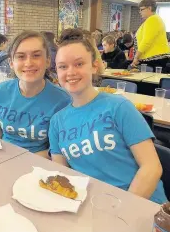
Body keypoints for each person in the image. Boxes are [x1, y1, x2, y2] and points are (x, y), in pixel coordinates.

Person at [49, 28, 167, 204]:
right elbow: (63, 176)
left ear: (94, 66)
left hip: (141, 205)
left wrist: (119, 211)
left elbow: (151, 168)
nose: (71, 72)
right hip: (93, 207)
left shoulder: (119, 107)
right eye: (63, 67)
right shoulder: (57, 122)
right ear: (56, 73)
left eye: (79, 64)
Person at [0, 31, 71, 158]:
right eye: (21, 56)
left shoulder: (63, 100)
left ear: (48, 60)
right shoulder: (0, 91)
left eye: (36, 55)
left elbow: (59, 148)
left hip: (39, 164)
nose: (28, 63)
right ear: (11, 63)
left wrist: (21, 159)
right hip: (2, 158)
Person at [132, 0, 170, 71]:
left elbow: (146, 41)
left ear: (149, 8)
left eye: (141, 9)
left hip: (154, 58)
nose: (140, 12)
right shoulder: (152, 20)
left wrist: (136, 57)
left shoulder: (153, 19)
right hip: (152, 58)